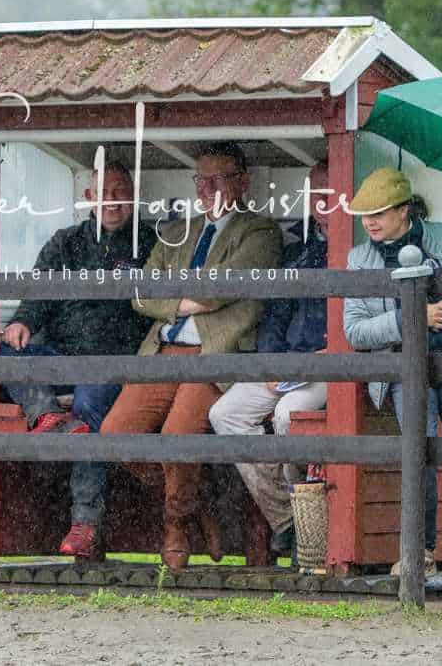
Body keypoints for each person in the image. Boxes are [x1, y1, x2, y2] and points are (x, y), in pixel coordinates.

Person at [101, 141, 282, 572]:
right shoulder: (177, 230)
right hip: (164, 350)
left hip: (216, 354)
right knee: (116, 433)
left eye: (218, 179)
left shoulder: (260, 232)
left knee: (179, 436)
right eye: (201, 180)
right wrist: (186, 301)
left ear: (243, 181)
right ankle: (198, 504)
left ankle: (176, 526)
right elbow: (141, 293)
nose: (207, 188)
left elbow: (222, 288)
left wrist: (178, 295)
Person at [342, 167, 442, 603]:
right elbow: (355, 331)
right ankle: (421, 553)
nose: (370, 223)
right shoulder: (359, 259)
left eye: (378, 213)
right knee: (418, 458)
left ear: (404, 211)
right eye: (365, 215)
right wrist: (413, 317)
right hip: (405, 369)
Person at [0, 161, 157, 559]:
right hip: (62, 356)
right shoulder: (65, 241)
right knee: (4, 349)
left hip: (115, 362)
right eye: (103, 192)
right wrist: (22, 322)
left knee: (87, 407)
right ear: (88, 197)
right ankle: (48, 416)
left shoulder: (151, 243)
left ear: (133, 196)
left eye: (120, 191)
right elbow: (38, 294)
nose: (111, 200)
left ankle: (85, 522)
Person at [208, 162, 330, 560]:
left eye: (332, 193)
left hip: (332, 366)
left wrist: (332, 354)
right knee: (225, 414)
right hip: (286, 364)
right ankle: (290, 520)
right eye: (317, 193)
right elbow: (274, 315)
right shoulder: (298, 252)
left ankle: (308, 518)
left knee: (288, 416)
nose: (323, 202)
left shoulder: (359, 251)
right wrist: (272, 362)